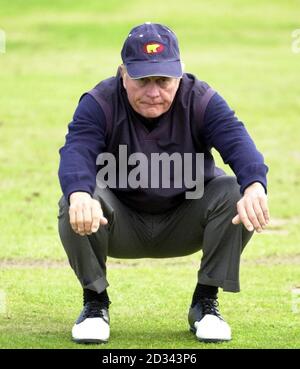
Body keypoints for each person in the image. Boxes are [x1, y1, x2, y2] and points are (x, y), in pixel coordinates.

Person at [57, 22, 269, 344]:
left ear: (180, 74)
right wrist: (78, 194)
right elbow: (77, 151)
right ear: (123, 74)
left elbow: (238, 141)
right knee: (77, 198)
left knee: (236, 191)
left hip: (185, 222)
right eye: (142, 80)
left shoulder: (200, 99)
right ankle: (95, 304)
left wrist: (255, 184)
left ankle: (205, 304)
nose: (153, 92)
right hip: (118, 224)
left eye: (163, 80)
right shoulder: (99, 101)